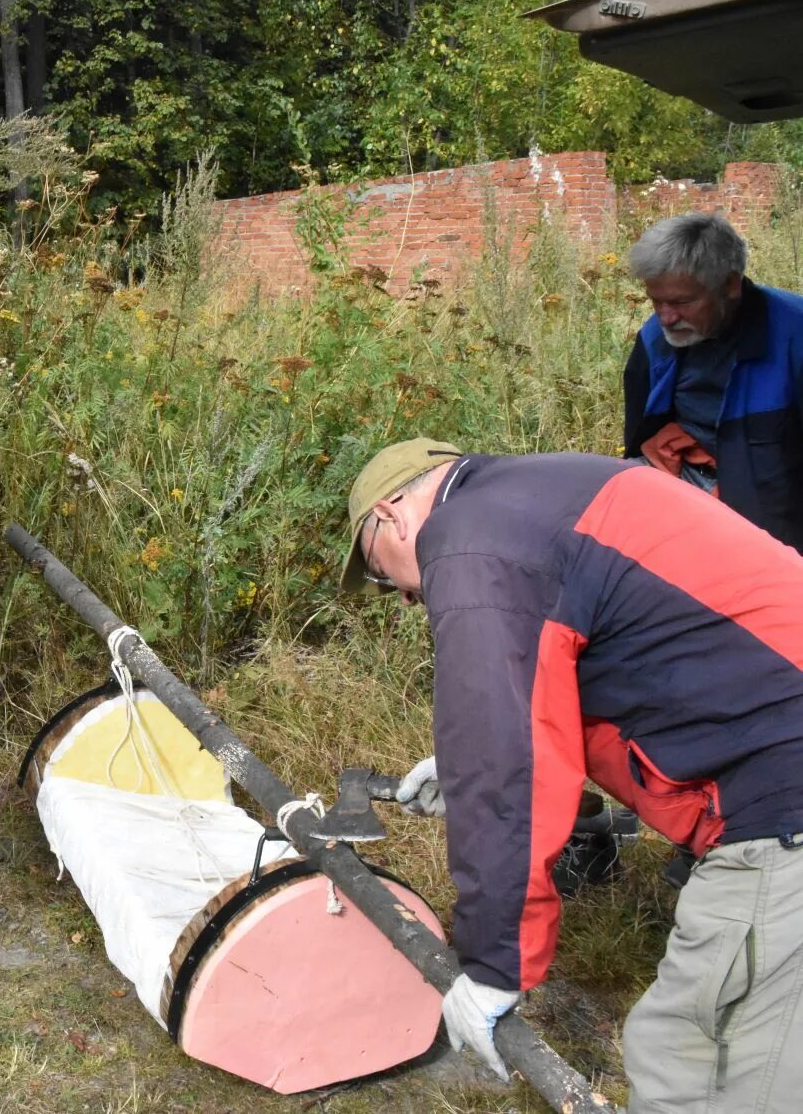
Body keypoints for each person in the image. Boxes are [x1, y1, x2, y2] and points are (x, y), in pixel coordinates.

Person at [341, 438, 803, 1110]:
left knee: (691, 1065)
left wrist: (496, 966)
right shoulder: (545, 495)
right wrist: (463, 764)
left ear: (393, 514)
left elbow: (501, 754)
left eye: (382, 575)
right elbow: (595, 675)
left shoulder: (465, 538)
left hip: (782, 807)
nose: (407, 598)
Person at [625, 212, 803, 553]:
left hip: (777, 531)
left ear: (730, 285)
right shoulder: (653, 340)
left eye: (681, 302)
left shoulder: (795, 336)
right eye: (655, 300)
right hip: (689, 501)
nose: (665, 317)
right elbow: (638, 436)